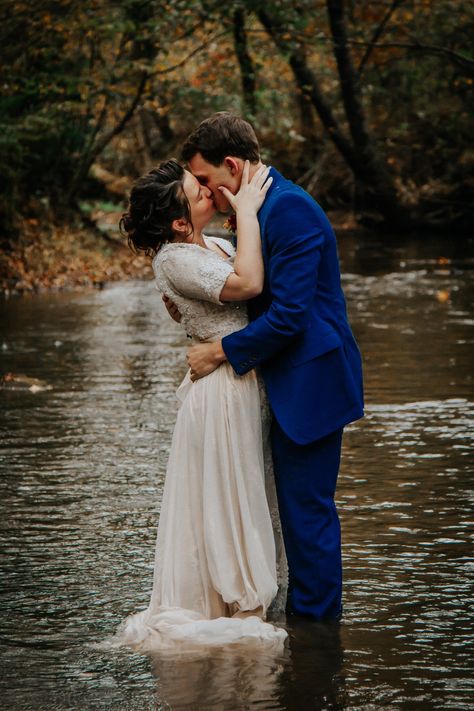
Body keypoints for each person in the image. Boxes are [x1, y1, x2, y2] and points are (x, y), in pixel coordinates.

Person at [175, 112, 364, 620]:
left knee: (307, 517)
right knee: (287, 517)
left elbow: (290, 317)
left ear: (232, 166)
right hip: (282, 381)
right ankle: (297, 628)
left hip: (311, 383)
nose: (209, 196)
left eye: (209, 183)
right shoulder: (260, 207)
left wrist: (220, 352)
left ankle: (317, 641)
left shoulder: (289, 210)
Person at [107, 158, 287, 651]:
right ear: (180, 222)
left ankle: (247, 596)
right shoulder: (175, 259)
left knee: (244, 489)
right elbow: (248, 285)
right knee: (232, 493)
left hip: (240, 375)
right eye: (199, 191)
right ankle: (242, 600)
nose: (210, 190)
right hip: (221, 390)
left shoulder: (215, 245)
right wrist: (247, 207)